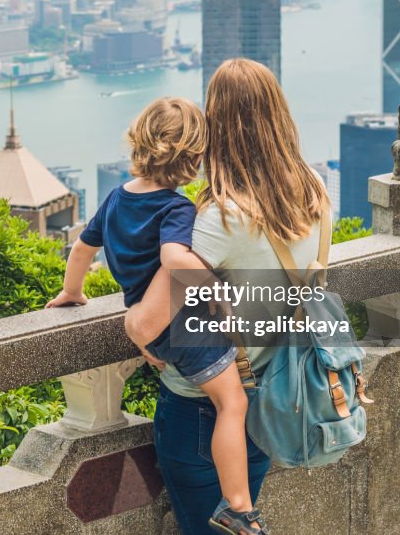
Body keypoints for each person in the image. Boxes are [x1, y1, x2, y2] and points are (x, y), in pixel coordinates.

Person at [125, 58, 331, 534]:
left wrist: (132, 329)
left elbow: (148, 323)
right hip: (275, 396)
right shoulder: (315, 191)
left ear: (214, 123)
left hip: (200, 410)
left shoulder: (220, 219)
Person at [46, 97, 263, 534]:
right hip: (185, 330)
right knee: (233, 401)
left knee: (227, 400)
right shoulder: (177, 208)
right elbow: (174, 258)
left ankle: (236, 504)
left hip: (158, 331)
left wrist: (73, 291)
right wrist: (217, 285)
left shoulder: (115, 198)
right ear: (194, 157)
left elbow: (83, 248)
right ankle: (237, 506)